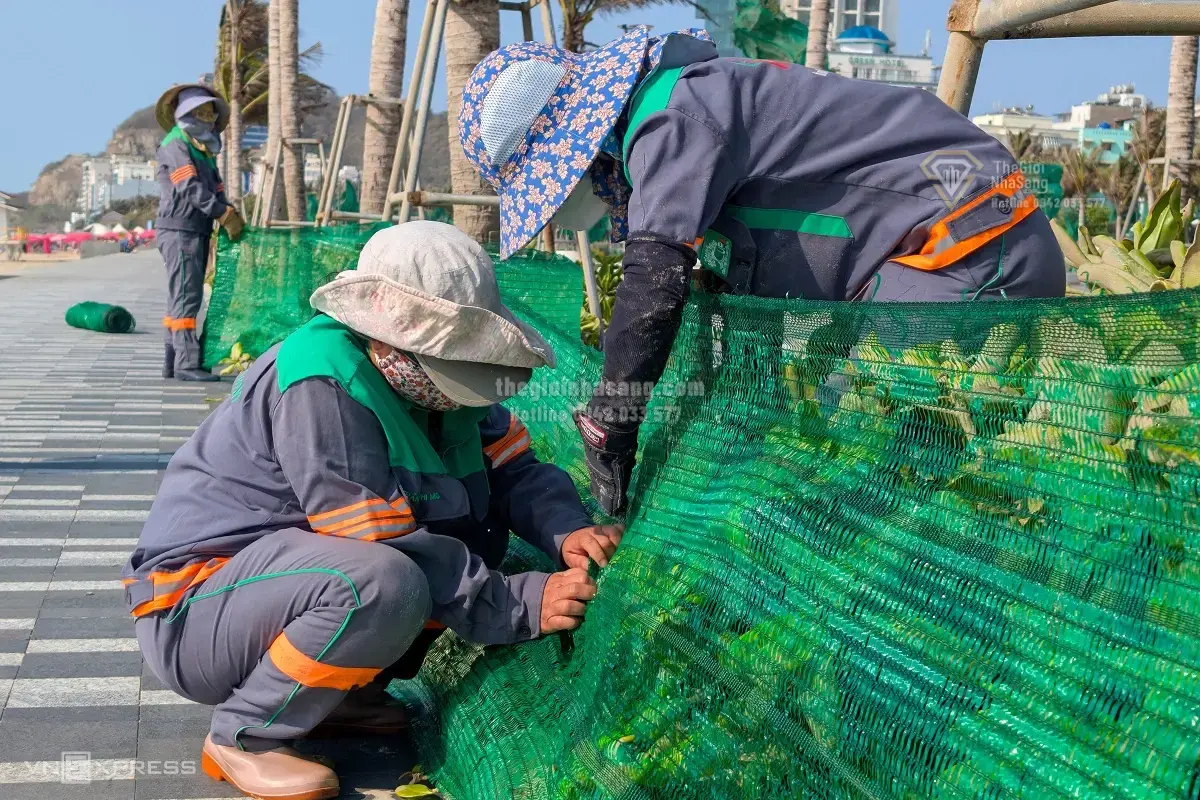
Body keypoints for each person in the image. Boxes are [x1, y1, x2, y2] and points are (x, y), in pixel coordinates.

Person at [458, 26, 1067, 517]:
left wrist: (610, 421)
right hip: (933, 253)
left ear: (582, 144)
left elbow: (652, 283)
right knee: (846, 431)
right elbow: (740, 281)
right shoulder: (682, 106)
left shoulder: (671, 118)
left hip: (976, 243)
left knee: (887, 447)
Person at [123, 222, 621, 800]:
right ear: (385, 338)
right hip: (196, 610)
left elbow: (514, 471)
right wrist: (519, 603)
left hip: (282, 586)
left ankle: (337, 699)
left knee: (426, 561)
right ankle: (245, 735)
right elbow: (384, 546)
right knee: (385, 582)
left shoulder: (440, 392)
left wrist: (568, 530)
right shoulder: (322, 382)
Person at [153, 83, 245, 382]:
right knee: (186, 298)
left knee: (180, 297)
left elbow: (215, 188)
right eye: (201, 113)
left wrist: (228, 209)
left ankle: (173, 361)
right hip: (180, 230)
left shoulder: (202, 149)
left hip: (195, 230)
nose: (208, 119)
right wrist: (221, 213)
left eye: (210, 113)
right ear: (185, 114)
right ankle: (186, 364)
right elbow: (190, 187)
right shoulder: (176, 144)